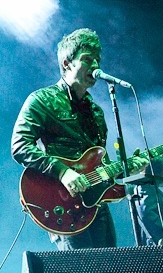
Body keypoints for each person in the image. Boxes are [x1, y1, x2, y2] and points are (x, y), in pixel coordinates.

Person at [11, 28, 117, 250]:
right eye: (88, 59)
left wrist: (127, 167)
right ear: (67, 63)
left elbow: (98, 162)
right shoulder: (42, 100)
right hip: (62, 202)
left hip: (96, 204)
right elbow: (20, 146)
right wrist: (63, 171)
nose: (96, 65)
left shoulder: (96, 112)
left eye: (98, 59)